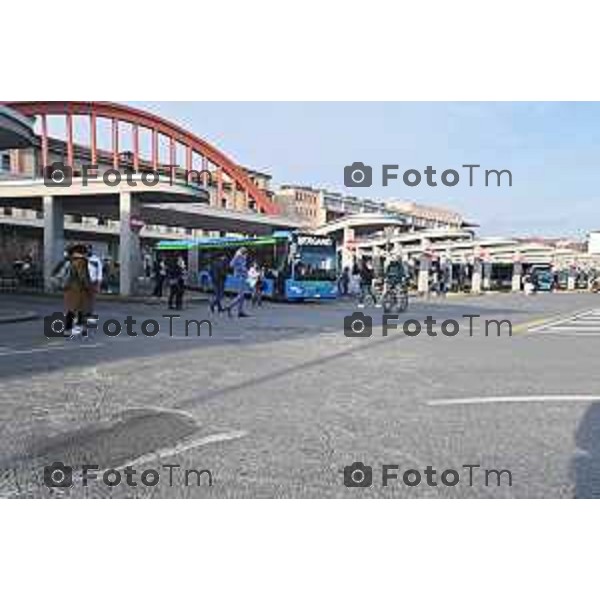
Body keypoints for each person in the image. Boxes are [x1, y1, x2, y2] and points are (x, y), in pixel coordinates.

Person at [53, 244, 93, 337]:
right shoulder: (81, 261)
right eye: (85, 251)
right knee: (80, 309)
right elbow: (82, 276)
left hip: (69, 288)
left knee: (71, 309)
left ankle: (72, 328)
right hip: (78, 289)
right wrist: (88, 287)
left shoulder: (70, 260)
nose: (87, 253)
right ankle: (75, 328)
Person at [226, 247, 250, 317]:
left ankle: (240, 311)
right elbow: (231, 264)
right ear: (244, 252)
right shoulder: (238, 257)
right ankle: (229, 306)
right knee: (241, 295)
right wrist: (242, 269)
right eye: (246, 253)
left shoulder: (241, 258)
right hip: (240, 277)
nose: (247, 255)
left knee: (242, 296)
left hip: (242, 277)